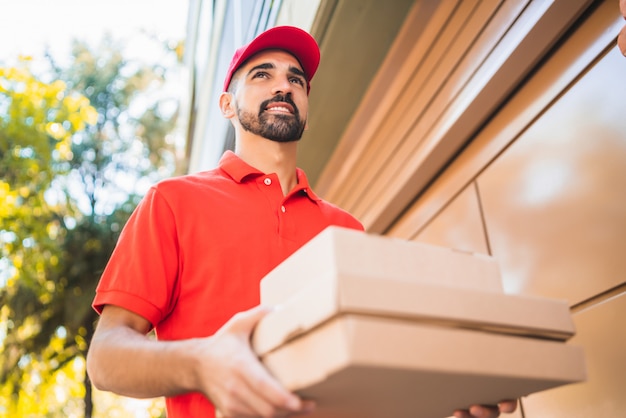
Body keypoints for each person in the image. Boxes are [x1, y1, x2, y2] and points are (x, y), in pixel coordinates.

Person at [86, 26, 517, 418]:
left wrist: (442, 399)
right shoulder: (173, 201)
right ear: (226, 105)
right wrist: (202, 363)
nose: (283, 86)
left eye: (296, 80)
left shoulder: (347, 230)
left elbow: (367, 385)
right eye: (262, 75)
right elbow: (105, 358)